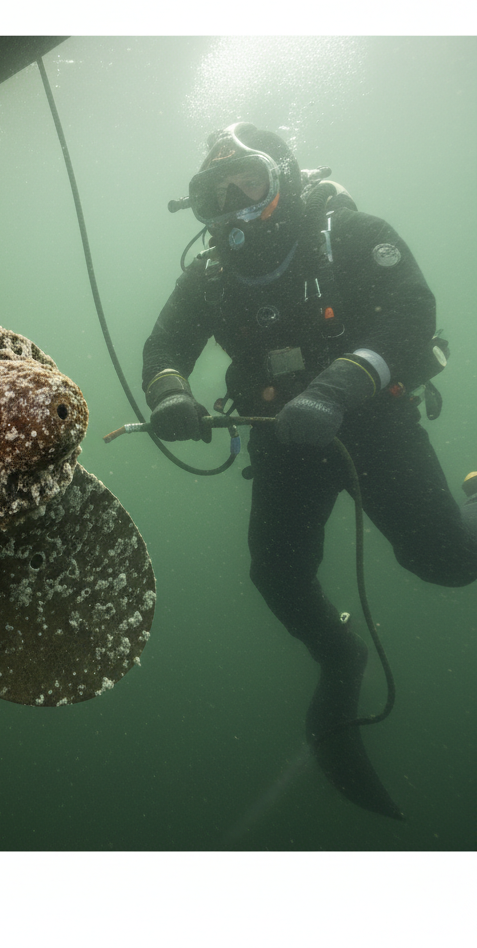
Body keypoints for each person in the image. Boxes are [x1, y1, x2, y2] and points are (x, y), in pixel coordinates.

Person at [142, 123, 477, 819]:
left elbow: (412, 313)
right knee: (277, 577)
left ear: (284, 177)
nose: (232, 205)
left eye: (248, 182)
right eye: (213, 193)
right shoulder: (209, 274)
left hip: (373, 427)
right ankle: (340, 657)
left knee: (447, 563)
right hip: (282, 440)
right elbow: (165, 343)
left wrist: (336, 388)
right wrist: (170, 393)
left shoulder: (350, 233)